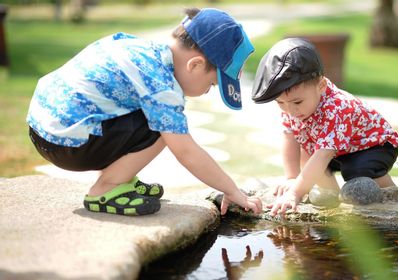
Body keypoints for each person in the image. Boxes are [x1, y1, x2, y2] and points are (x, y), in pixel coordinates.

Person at [27, 8, 262, 216]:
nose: (207, 92)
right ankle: (106, 188)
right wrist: (231, 190)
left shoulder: (143, 50)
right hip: (66, 144)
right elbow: (186, 151)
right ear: (195, 65)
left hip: (44, 129)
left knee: (157, 118)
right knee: (165, 128)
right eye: (212, 85)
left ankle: (121, 178)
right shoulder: (161, 85)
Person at [251, 38, 398, 216]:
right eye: (280, 103)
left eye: (297, 102)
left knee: (355, 171)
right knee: (307, 154)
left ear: (321, 86)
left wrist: (294, 194)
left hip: (375, 146)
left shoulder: (337, 108)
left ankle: (393, 197)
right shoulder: (293, 106)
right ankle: (332, 199)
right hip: (339, 149)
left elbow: (323, 155)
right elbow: (289, 138)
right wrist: (292, 178)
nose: (290, 110)